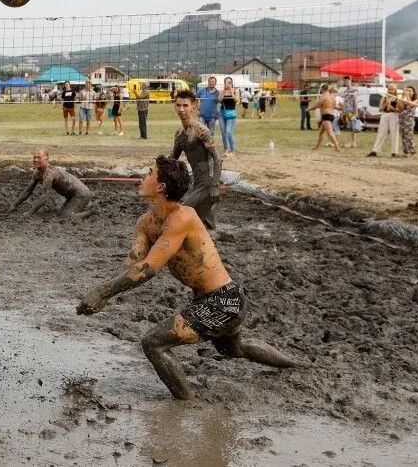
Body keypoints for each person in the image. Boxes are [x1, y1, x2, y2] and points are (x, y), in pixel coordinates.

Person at [75, 155, 303, 400]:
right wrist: (128, 263)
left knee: (153, 343)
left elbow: (149, 269)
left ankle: (184, 406)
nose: (143, 177)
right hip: (210, 301)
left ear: (161, 186)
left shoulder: (183, 217)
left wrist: (102, 292)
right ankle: (297, 368)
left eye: (149, 173)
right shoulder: (145, 222)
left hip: (224, 301)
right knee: (234, 348)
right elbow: (137, 262)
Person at [171, 90, 222, 229]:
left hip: (207, 184)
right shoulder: (180, 134)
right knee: (202, 225)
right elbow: (172, 160)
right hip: (197, 184)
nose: (181, 109)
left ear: (193, 106)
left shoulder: (201, 130)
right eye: (178, 105)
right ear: (174, 106)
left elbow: (217, 159)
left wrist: (215, 186)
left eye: (185, 105)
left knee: (180, 216)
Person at [8, 147, 95, 220]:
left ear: (46, 158)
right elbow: (28, 191)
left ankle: (92, 210)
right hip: (71, 195)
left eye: (39, 157)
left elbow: (45, 197)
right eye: (34, 157)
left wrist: (30, 213)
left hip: (81, 194)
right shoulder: (37, 173)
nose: (35, 160)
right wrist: (14, 205)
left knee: (65, 216)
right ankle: (86, 207)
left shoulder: (49, 173)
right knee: (62, 212)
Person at [368, 83, 401, 158]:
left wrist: (392, 107)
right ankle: (375, 151)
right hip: (384, 115)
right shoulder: (384, 97)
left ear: (395, 89)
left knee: (394, 133)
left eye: (392, 89)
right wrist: (386, 103)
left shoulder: (398, 98)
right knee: (381, 132)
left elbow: (399, 110)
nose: (391, 90)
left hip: (394, 115)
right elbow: (380, 109)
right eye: (389, 88)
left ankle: (394, 152)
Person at [311, 84, 341, 151]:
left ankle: (336, 146)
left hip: (326, 116)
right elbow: (334, 106)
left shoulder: (323, 96)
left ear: (322, 89)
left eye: (321, 89)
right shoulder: (332, 97)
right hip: (331, 115)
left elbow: (317, 106)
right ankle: (317, 147)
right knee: (321, 133)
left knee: (330, 132)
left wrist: (309, 109)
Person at [218, 77, 239, 157]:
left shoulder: (235, 90)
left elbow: (237, 100)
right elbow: (219, 100)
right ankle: (226, 150)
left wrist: (231, 92)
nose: (228, 84)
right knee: (223, 133)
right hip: (222, 113)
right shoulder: (222, 91)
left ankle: (232, 150)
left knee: (229, 132)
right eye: (226, 82)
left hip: (231, 113)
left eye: (229, 82)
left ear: (232, 83)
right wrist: (224, 91)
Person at [339, 76, 360, 148]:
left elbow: (355, 102)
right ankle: (353, 143)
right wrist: (343, 112)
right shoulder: (345, 91)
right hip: (347, 111)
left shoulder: (354, 90)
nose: (345, 82)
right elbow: (343, 101)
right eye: (344, 81)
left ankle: (349, 143)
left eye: (347, 81)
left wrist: (356, 112)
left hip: (351, 111)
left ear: (350, 81)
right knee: (352, 126)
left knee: (351, 127)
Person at [398, 85, 418, 158]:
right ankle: (406, 152)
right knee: (403, 135)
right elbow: (399, 108)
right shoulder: (402, 99)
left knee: (409, 136)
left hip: (409, 120)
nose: (408, 92)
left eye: (410, 90)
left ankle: (413, 152)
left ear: (413, 92)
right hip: (401, 119)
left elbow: (411, 105)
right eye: (406, 90)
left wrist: (407, 97)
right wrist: (402, 100)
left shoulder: (416, 100)